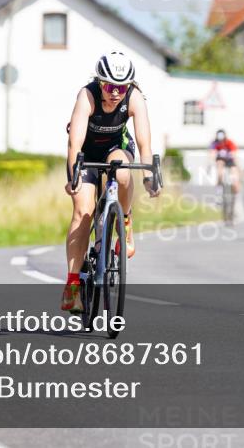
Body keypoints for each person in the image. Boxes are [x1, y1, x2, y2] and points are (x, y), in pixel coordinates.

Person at [62, 50, 160, 313]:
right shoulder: (87, 95)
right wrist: (74, 178)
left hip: (116, 148)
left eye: (121, 87)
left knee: (122, 169)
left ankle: (125, 222)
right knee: (83, 211)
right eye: (109, 86)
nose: (115, 92)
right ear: (99, 81)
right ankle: (72, 286)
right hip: (86, 153)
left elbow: (144, 143)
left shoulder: (134, 97)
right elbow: (75, 145)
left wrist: (149, 177)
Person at [210, 129, 242, 204]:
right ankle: (219, 195)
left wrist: (238, 168)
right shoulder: (215, 143)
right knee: (220, 172)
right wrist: (211, 162)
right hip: (220, 160)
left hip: (230, 161)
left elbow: (234, 155)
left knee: (235, 179)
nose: (221, 142)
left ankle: (236, 197)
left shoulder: (229, 143)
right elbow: (212, 153)